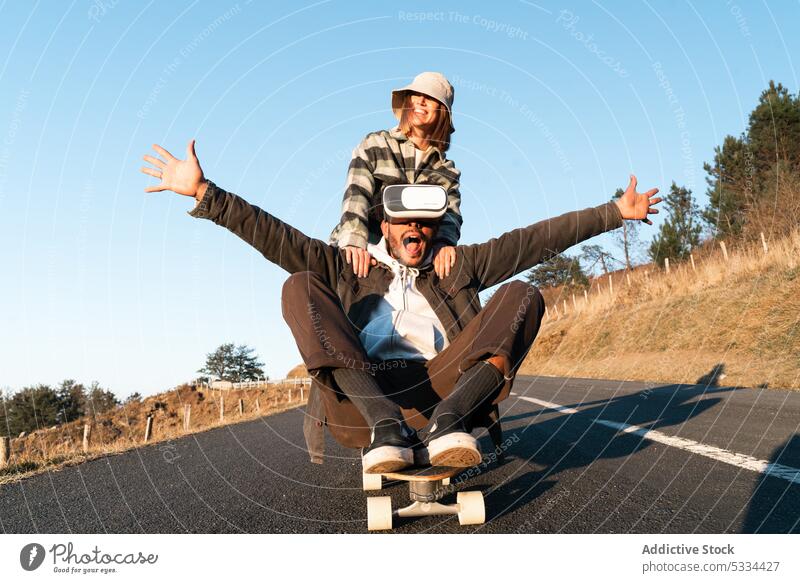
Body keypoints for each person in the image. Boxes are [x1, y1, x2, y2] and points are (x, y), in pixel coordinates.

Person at [140, 140, 661, 474]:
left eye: (425, 222)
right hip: (363, 398)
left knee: (523, 294)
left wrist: (614, 212)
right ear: (381, 225)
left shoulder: (455, 264)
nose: (415, 230)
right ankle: (389, 428)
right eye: (403, 220)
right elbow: (273, 235)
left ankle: (448, 424)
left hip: (443, 388)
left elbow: (535, 240)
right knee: (298, 284)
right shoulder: (349, 264)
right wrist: (206, 193)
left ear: (435, 225)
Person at [329, 72, 462, 280]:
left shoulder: (446, 172)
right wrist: (354, 242)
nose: (421, 100)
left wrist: (443, 244)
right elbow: (356, 195)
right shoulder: (376, 144)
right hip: (365, 255)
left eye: (431, 97)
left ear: (443, 111)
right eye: (416, 94)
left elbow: (450, 217)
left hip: (413, 265)